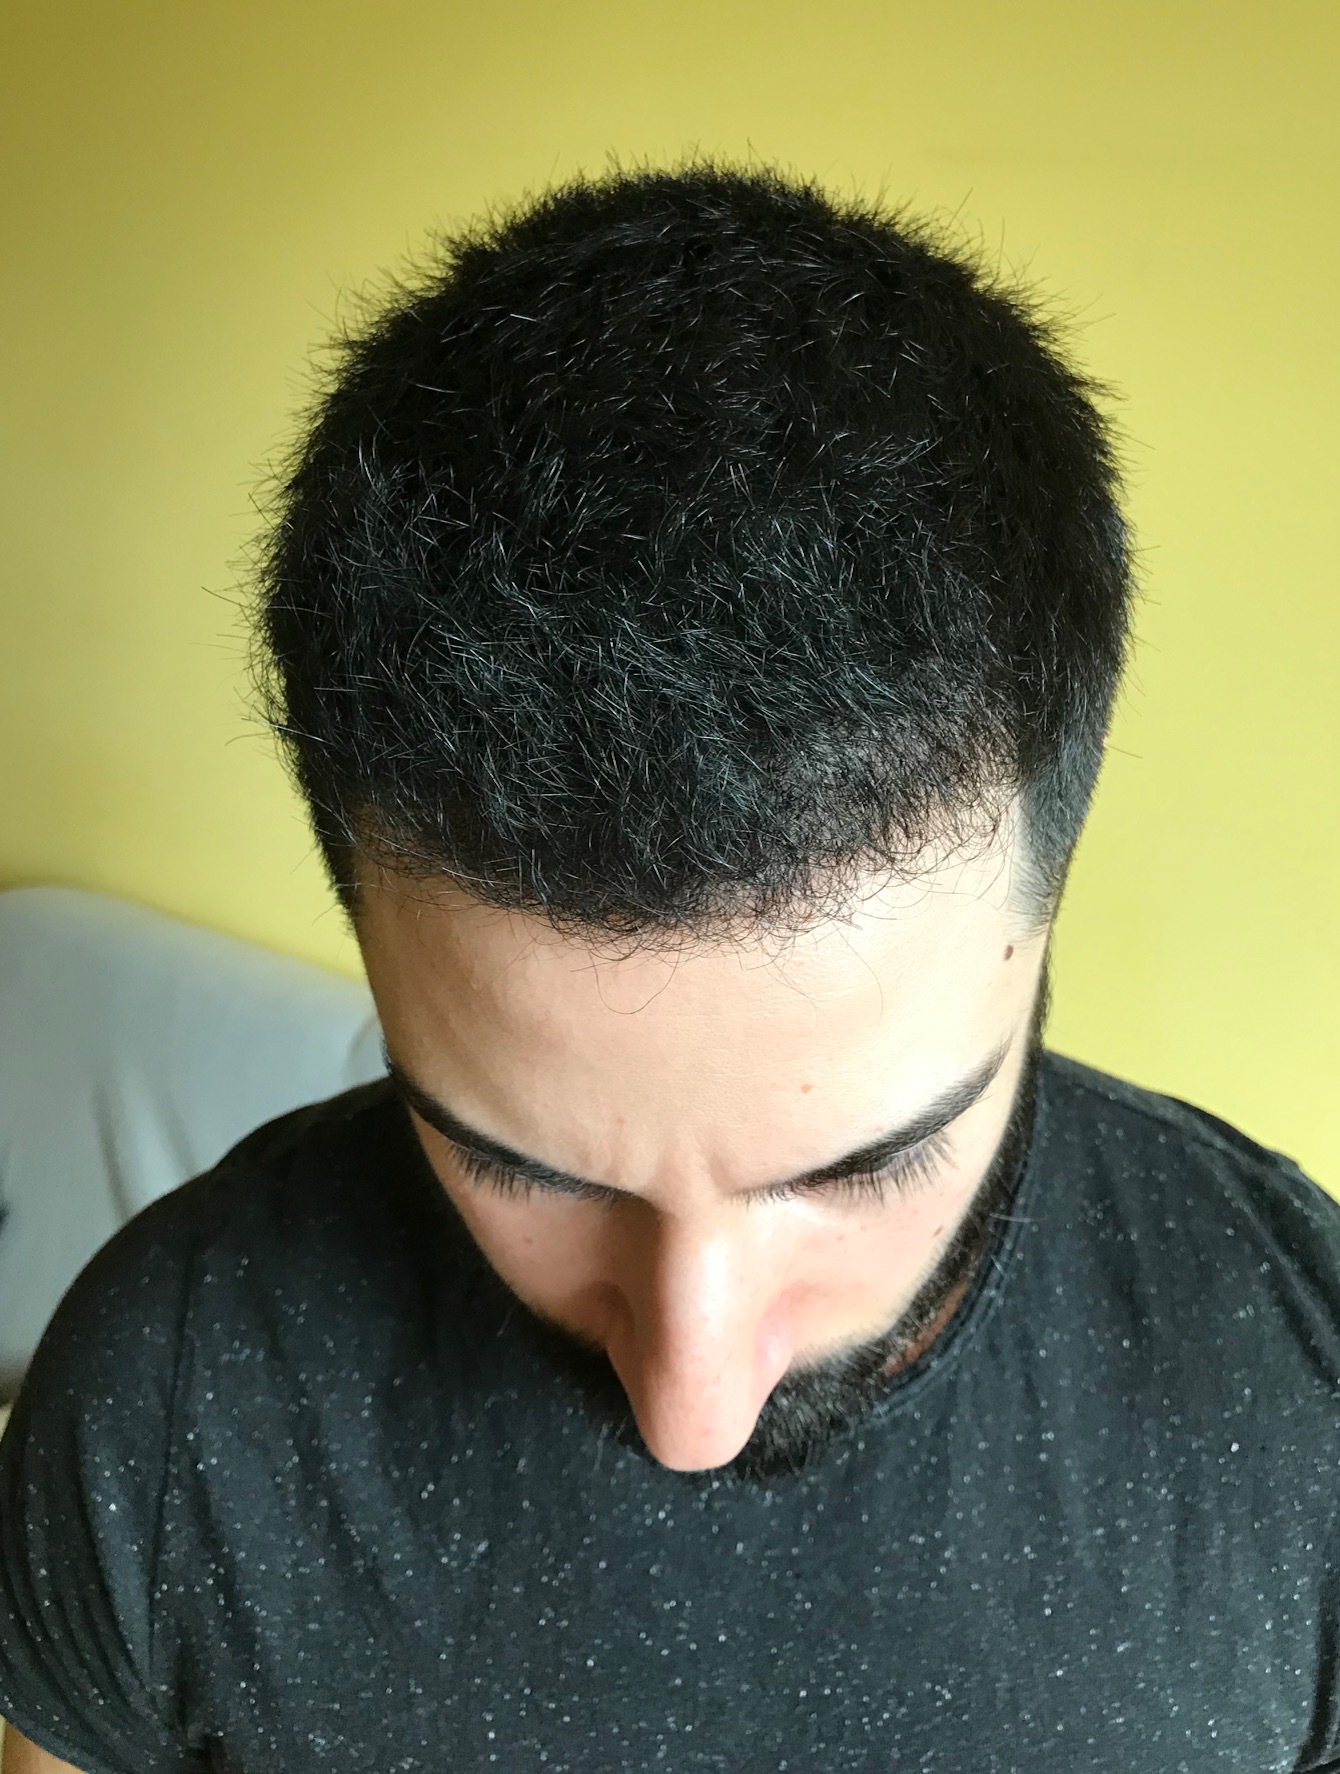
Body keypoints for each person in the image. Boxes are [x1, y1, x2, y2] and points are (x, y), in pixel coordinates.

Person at [1, 163, 1336, 1774]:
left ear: (1043, 917)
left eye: (860, 1166)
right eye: (518, 1164)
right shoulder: (158, 1411)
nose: (689, 1406)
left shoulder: (1305, 1387)